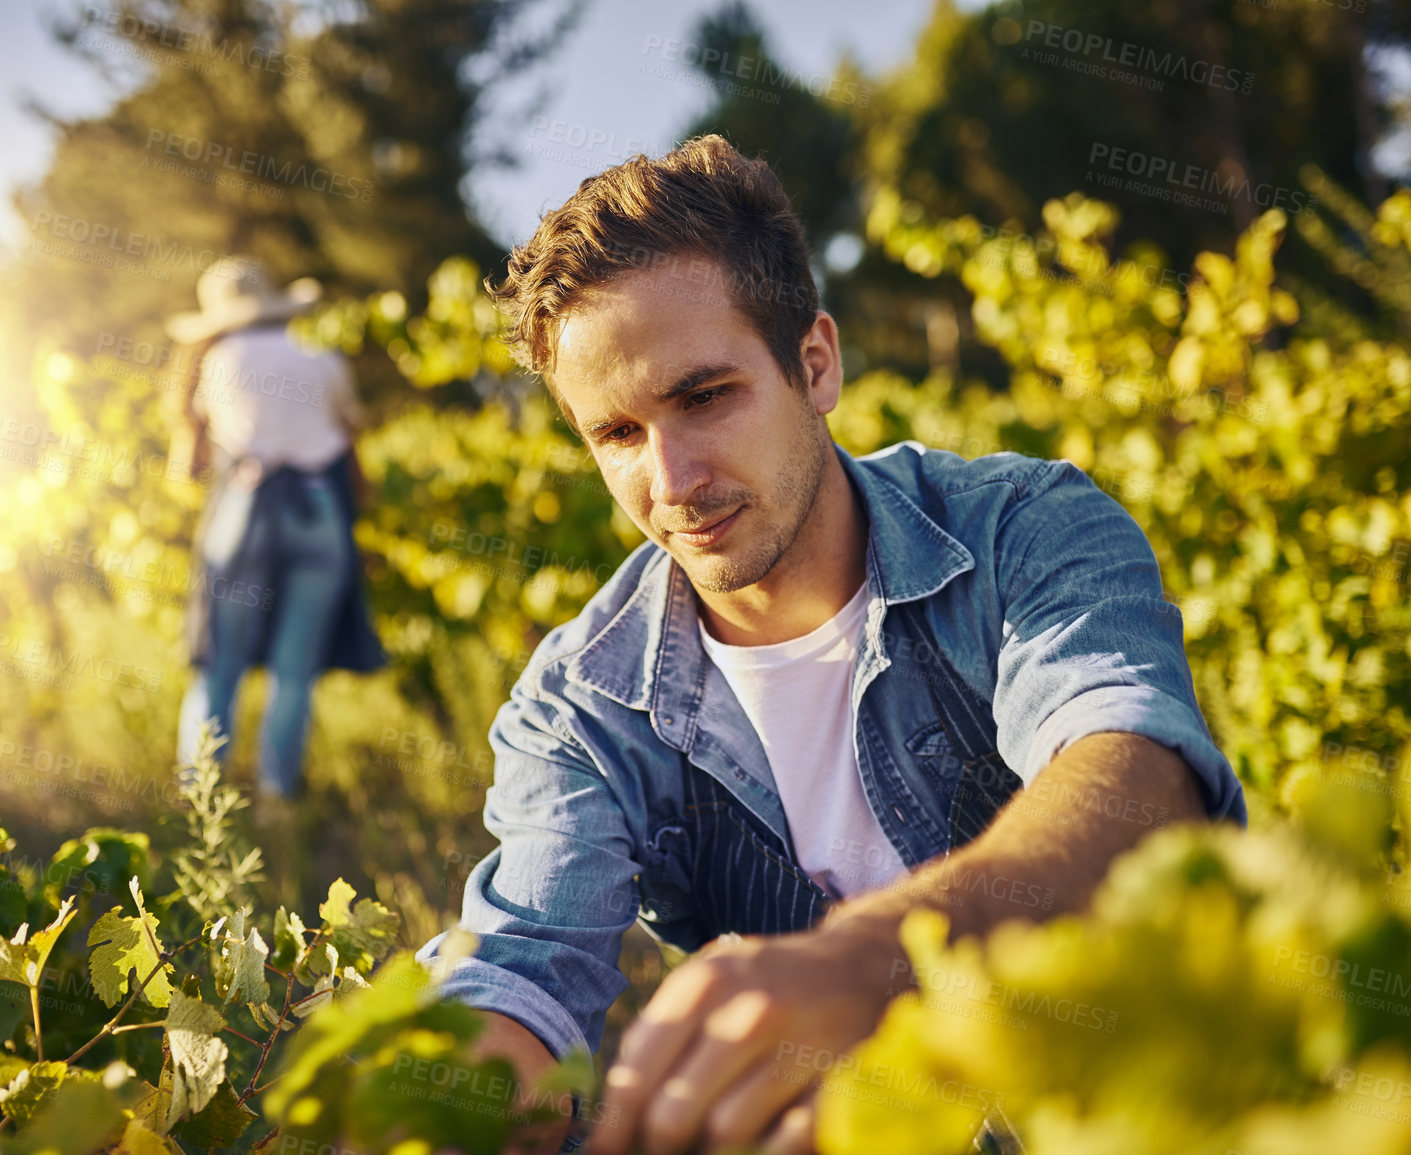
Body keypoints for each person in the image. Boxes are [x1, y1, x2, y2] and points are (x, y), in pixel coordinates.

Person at [413, 135, 1246, 1154]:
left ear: (815, 364)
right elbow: (527, 962)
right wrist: (439, 1104)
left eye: (704, 397)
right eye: (618, 435)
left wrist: (873, 959)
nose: (670, 481)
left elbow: (1135, 778)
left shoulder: (1023, 528)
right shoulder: (582, 700)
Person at [166, 256, 385, 803]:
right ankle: (276, 801)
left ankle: (202, 802)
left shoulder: (216, 358)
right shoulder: (323, 356)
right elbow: (356, 469)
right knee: (295, 672)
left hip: (246, 509)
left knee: (221, 664)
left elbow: (187, 468)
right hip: (319, 513)